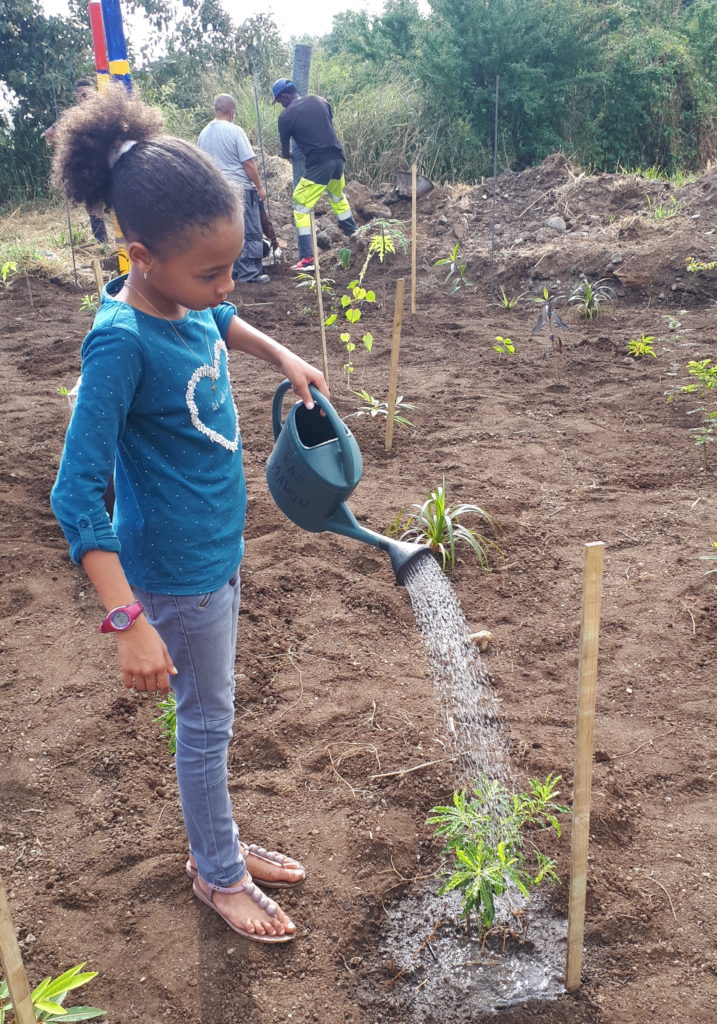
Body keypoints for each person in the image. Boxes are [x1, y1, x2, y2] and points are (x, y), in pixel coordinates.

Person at [50, 83, 329, 942]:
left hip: (217, 552)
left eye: (231, 265)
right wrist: (128, 618)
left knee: (216, 712)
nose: (224, 285)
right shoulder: (121, 344)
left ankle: (223, 843)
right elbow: (74, 495)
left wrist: (281, 351)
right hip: (171, 574)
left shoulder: (186, 300)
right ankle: (218, 873)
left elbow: (221, 319)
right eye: (209, 271)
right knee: (206, 724)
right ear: (139, 256)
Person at [272, 78, 359, 272]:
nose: (281, 105)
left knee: (301, 205)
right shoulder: (320, 101)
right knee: (337, 197)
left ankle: (307, 258)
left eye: (279, 101)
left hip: (319, 164)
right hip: (338, 159)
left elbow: (285, 151)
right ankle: (356, 236)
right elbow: (325, 124)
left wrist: (290, 156)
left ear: (284, 96)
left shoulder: (285, 117)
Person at [198, 94, 270, 284]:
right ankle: (249, 274)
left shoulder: (203, 134)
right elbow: (248, 163)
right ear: (232, 112)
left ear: (216, 109)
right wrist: (260, 186)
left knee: (226, 231)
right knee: (250, 231)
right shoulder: (235, 131)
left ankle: (232, 273)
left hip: (215, 190)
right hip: (240, 189)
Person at [44, 78, 109, 245]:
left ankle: (124, 245)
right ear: (76, 97)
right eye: (81, 95)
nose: (84, 98)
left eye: (87, 94)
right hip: (88, 167)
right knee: (94, 207)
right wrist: (67, 148)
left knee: (118, 203)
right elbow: (50, 134)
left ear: (94, 93)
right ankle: (104, 246)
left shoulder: (107, 110)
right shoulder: (73, 116)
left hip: (109, 164)